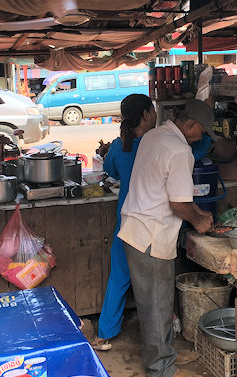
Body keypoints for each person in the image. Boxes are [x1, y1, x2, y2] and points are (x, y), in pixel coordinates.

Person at [118, 99, 215, 377]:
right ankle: (162, 369)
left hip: (137, 228)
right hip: (151, 235)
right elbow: (178, 204)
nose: (203, 135)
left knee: (158, 301)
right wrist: (198, 220)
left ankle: (166, 352)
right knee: (157, 306)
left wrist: (199, 212)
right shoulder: (179, 149)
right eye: (201, 129)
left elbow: (170, 193)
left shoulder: (154, 135)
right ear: (188, 124)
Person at [91, 94, 156, 351]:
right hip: (153, 220)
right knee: (155, 279)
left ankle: (104, 335)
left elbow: (111, 170)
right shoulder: (157, 143)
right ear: (146, 114)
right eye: (152, 110)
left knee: (119, 276)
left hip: (126, 219)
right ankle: (158, 339)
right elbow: (198, 149)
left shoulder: (120, 145)